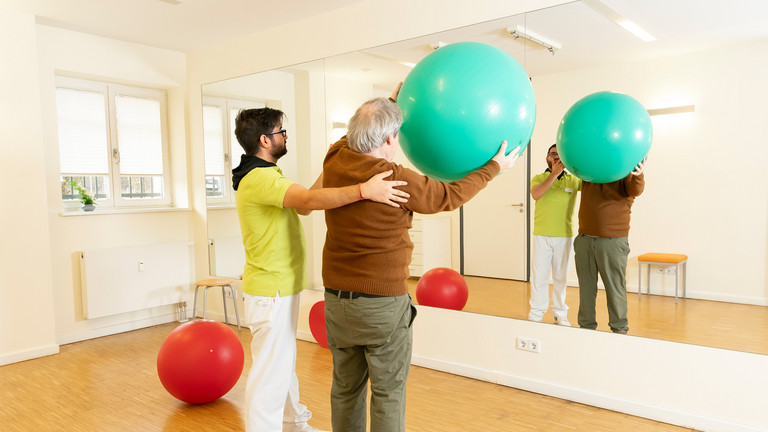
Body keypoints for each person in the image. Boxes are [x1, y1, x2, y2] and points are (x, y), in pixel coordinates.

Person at [320, 90, 521, 432]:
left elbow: (352, 135)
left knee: (345, 389)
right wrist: (494, 168)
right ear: (388, 137)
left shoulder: (334, 158)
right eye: (395, 135)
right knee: (388, 393)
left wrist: (388, 102)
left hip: (337, 301)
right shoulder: (393, 177)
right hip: (381, 304)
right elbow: (450, 195)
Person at [231, 107, 410, 432]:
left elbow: (303, 204)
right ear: (264, 139)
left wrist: (363, 130)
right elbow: (311, 202)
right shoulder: (260, 179)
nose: (285, 136)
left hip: (279, 288)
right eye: (280, 131)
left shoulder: (267, 175)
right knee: (269, 376)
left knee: (281, 366)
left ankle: (295, 424)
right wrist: (362, 190)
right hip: (271, 291)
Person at [574, 158, 647, 334]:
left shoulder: (624, 173)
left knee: (615, 288)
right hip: (584, 239)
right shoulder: (589, 173)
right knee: (586, 288)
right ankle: (586, 327)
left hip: (612, 242)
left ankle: (619, 328)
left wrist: (638, 174)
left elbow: (636, 190)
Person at [529, 144, 582, 326]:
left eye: (561, 156)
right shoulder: (538, 178)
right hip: (542, 235)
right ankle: (536, 314)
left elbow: (593, 182)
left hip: (564, 236)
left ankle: (560, 313)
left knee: (561, 277)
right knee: (540, 277)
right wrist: (554, 174)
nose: (557, 158)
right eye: (553, 155)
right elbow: (536, 194)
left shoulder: (574, 181)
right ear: (547, 158)